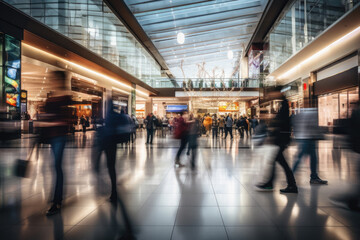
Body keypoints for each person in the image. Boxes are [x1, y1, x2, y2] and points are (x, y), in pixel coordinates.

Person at [38, 71, 72, 216]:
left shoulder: (65, 98)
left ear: (60, 80)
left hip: (59, 136)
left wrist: (50, 121)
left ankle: (57, 200)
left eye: (55, 79)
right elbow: (47, 116)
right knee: (55, 166)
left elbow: (65, 120)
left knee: (57, 166)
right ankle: (57, 197)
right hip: (52, 136)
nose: (52, 81)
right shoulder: (51, 97)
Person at [256, 91, 298, 193]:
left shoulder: (284, 105)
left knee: (282, 163)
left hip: (281, 139)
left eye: (272, 93)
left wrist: (273, 128)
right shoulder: (283, 104)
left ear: (278, 93)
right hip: (280, 139)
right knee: (277, 161)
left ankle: (291, 185)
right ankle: (271, 183)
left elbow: (282, 122)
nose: (270, 95)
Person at [330, 102, 360, 210]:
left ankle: (352, 201)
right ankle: (352, 200)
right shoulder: (356, 113)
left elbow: (352, 131)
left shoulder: (356, 113)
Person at [292, 108, 328, 184]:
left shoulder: (299, 114)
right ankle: (291, 176)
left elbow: (295, 126)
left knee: (311, 157)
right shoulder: (313, 112)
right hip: (308, 138)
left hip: (303, 138)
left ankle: (314, 176)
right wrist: (321, 135)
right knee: (305, 157)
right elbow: (313, 126)